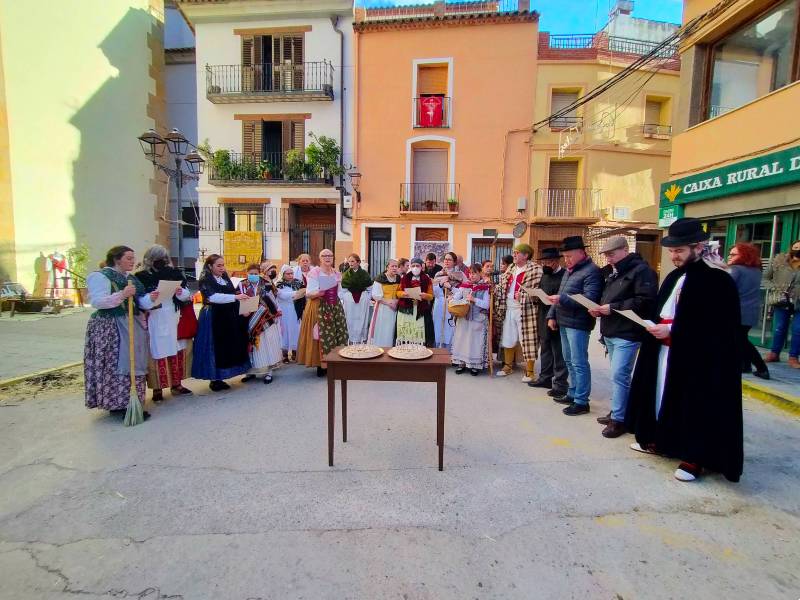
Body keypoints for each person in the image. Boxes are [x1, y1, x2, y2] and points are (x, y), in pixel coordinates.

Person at [625, 218, 743, 483]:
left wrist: (675, 331)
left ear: (698, 247)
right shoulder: (675, 276)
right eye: (671, 250)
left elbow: (719, 327)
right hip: (665, 352)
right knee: (660, 396)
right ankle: (660, 440)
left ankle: (695, 457)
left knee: (696, 404)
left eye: (679, 251)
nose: (673, 256)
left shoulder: (717, 280)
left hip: (698, 359)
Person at [587, 237, 658, 438]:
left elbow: (645, 301)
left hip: (628, 331)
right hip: (612, 329)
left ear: (625, 250)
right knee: (618, 376)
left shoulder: (641, 271)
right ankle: (619, 411)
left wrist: (612, 308)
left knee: (620, 376)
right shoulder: (615, 271)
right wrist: (601, 309)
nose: (608, 259)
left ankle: (619, 419)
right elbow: (609, 297)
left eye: (612, 254)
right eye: (606, 255)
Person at [84, 246, 157, 419]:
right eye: (129, 258)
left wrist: (151, 298)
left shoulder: (130, 278)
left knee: (134, 361)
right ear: (117, 259)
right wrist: (122, 294)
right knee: (115, 363)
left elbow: (141, 302)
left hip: (132, 323)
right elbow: (98, 301)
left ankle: (131, 402)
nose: (133, 261)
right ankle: (116, 404)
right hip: (110, 326)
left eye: (133, 258)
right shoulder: (100, 276)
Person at [547, 236, 603, 416]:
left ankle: (581, 400)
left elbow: (590, 299)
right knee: (569, 360)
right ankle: (572, 393)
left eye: (569, 256)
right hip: (564, 320)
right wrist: (552, 315)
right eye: (565, 257)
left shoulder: (592, 271)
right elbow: (561, 293)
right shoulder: (570, 271)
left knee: (579, 362)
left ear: (581, 253)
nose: (567, 260)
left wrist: (561, 299)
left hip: (578, 323)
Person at [134, 245, 194, 402]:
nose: (161, 262)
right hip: (155, 317)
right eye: (157, 259)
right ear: (150, 260)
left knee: (176, 351)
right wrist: (150, 298)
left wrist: (181, 292)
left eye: (163, 258)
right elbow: (140, 300)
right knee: (156, 352)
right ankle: (157, 388)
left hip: (174, 316)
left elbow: (186, 294)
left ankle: (176, 384)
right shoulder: (142, 276)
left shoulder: (174, 273)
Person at [191, 254, 251, 391]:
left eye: (223, 265)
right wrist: (235, 297)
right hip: (213, 316)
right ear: (210, 266)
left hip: (227, 315)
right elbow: (213, 297)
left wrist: (242, 307)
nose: (222, 268)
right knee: (214, 347)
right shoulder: (206, 279)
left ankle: (222, 377)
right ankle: (214, 378)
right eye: (219, 265)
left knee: (226, 346)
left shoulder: (224, 278)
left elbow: (232, 294)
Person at [494, 244, 543, 381]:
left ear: (526, 255)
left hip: (525, 309)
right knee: (508, 337)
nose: (514, 255)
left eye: (517, 253)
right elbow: (502, 285)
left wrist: (522, 296)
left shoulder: (536, 270)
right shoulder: (511, 268)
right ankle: (508, 366)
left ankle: (530, 371)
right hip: (508, 307)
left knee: (528, 339)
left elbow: (537, 292)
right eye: (514, 253)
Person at [297, 249, 349, 376]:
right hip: (318, 305)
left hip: (334, 306)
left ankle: (335, 362)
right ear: (320, 259)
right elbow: (309, 293)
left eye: (330, 255)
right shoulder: (314, 273)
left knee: (337, 332)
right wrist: (318, 292)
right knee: (321, 335)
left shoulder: (336, 273)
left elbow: (340, 292)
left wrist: (342, 299)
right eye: (324, 255)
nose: (327, 257)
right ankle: (321, 365)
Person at [528, 248, 568, 398]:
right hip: (543, 316)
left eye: (548, 262)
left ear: (556, 261)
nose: (545, 264)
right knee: (545, 349)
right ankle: (545, 378)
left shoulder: (564, 275)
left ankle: (560, 384)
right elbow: (541, 290)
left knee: (558, 352)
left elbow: (562, 297)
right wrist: (535, 295)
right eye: (543, 262)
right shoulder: (545, 274)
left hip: (557, 317)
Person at [728, 243, 770, 379]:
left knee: (740, 340)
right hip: (751, 311)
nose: (729, 256)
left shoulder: (736, 269)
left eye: (733, 254)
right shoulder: (756, 270)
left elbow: (726, 287)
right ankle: (745, 365)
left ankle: (761, 367)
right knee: (742, 338)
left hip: (738, 311)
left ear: (744, 255)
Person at [239, 264, 283, 384]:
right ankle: (250, 371)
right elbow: (239, 300)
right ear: (247, 273)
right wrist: (244, 310)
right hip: (249, 319)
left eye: (255, 273)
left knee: (268, 344)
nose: (253, 275)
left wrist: (271, 311)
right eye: (250, 273)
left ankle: (269, 371)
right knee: (251, 346)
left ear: (260, 273)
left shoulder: (267, 284)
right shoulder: (242, 284)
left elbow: (274, 299)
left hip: (267, 319)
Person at [764, 239, 800, 368]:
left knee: (798, 330)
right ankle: (774, 353)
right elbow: (766, 277)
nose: (797, 250)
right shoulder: (779, 261)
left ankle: (793, 357)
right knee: (780, 328)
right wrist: (775, 288)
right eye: (795, 247)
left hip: (799, 302)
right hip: (781, 300)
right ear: (791, 248)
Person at [450, 264, 492, 375]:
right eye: (470, 273)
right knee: (462, 340)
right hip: (464, 317)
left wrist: (474, 299)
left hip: (478, 319)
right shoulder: (464, 286)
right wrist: (455, 300)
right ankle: (461, 363)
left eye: (474, 273)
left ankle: (475, 366)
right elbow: (455, 298)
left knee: (474, 343)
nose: (471, 275)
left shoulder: (485, 287)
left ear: (480, 274)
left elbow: (486, 305)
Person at [396, 257, 435, 346]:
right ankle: (406, 348)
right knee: (407, 330)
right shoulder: (405, 278)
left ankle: (418, 349)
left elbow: (431, 296)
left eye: (417, 266)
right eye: (413, 266)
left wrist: (425, 295)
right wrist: (404, 294)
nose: (415, 267)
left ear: (421, 267)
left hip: (420, 310)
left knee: (419, 332)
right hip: (406, 310)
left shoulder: (426, 279)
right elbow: (398, 292)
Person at [432, 252, 465, 348]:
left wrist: (450, 287)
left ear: (454, 262)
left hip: (452, 303)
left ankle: (450, 352)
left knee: (450, 328)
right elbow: (434, 292)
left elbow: (464, 292)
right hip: (439, 303)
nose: (446, 261)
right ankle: (438, 350)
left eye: (449, 259)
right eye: (445, 259)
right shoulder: (438, 274)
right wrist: (440, 285)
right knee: (438, 328)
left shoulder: (460, 274)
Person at [340, 253, 373, 343]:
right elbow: (343, 290)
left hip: (362, 300)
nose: (350, 263)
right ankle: (350, 338)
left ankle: (361, 339)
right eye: (349, 261)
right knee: (350, 319)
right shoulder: (346, 274)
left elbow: (369, 289)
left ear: (358, 262)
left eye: (353, 261)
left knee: (361, 318)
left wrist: (366, 297)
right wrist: (347, 298)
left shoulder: (365, 274)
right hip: (349, 301)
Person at [275, 265, 305, 362]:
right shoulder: (278, 284)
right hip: (284, 310)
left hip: (295, 309)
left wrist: (299, 293)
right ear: (283, 274)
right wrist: (297, 293)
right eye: (288, 274)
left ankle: (295, 353)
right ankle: (284, 354)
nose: (290, 275)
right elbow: (282, 296)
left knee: (295, 330)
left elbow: (304, 293)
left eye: (291, 273)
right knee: (284, 331)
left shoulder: (299, 283)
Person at [369, 259, 400, 347]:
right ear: (387, 267)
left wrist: (396, 302)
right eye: (392, 266)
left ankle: (390, 348)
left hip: (394, 307)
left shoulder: (398, 278)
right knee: (382, 329)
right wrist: (389, 303)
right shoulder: (380, 278)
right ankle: (380, 347)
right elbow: (375, 295)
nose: (394, 268)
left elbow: (400, 291)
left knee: (391, 329)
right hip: (383, 308)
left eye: (396, 266)